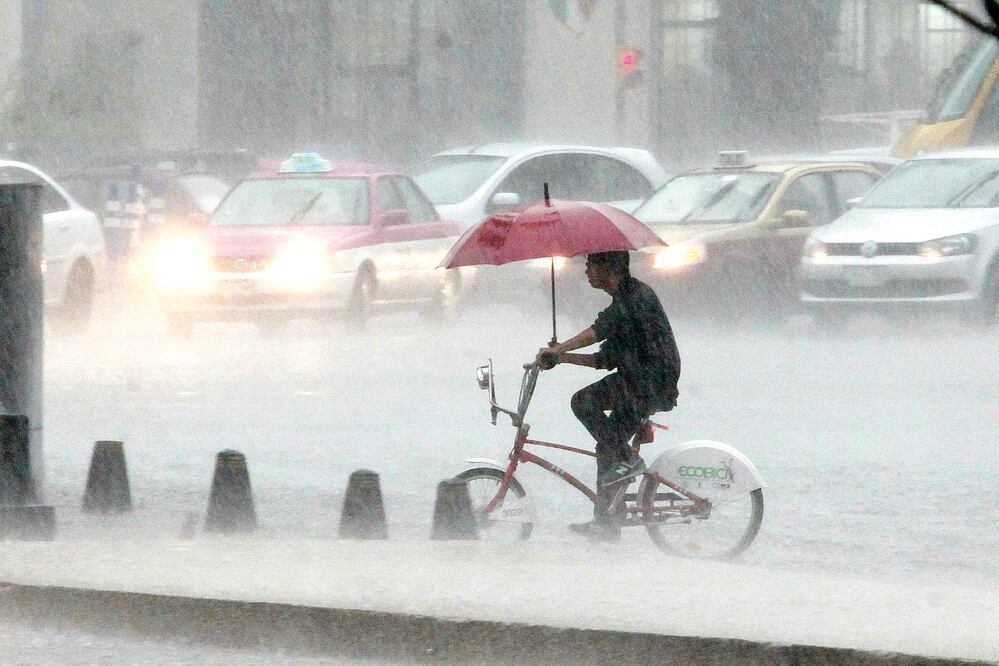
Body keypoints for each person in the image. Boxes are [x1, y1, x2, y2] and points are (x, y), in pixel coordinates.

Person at [535, 250, 681, 541]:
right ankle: (607, 522)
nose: (586, 271)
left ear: (609, 268)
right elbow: (605, 359)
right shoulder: (622, 300)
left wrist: (560, 348)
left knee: (584, 405)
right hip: (635, 378)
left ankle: (628, 459)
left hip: (651, 380)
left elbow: (598, 331)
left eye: (590, 265)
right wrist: (562, 358)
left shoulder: (635, 297)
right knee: (606, 446)